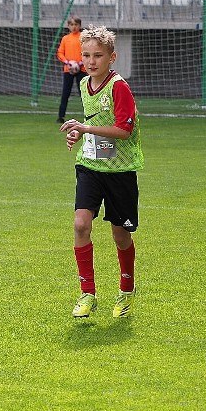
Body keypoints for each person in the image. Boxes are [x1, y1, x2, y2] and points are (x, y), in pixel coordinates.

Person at [60, 25, 143, 319]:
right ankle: (88, 293)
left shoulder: (119, 87)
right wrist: (79, 135)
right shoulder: (84, 85)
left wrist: (85, 128)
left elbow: (123, 129)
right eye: (86, 55)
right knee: (81, 224)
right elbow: (94, 122)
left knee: (120, 236)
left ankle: (126, 291)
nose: (91, 61)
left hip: (120, 171)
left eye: (98, 55)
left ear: (112, 57)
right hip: (91, 166)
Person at [56, 15, 87, 124]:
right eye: (71, 24)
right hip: (68, 70)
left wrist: (80, 63)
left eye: (76, 24)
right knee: (65, 92)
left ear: (80, 25)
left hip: (82, 69)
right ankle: (60, 116)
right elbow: (60, 53)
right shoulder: (65, 38)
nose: (74, 27)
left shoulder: (83, 37)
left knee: (84, 93)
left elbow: (86, 52)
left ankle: (88, 116)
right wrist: (68, 62)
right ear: (68, 26)